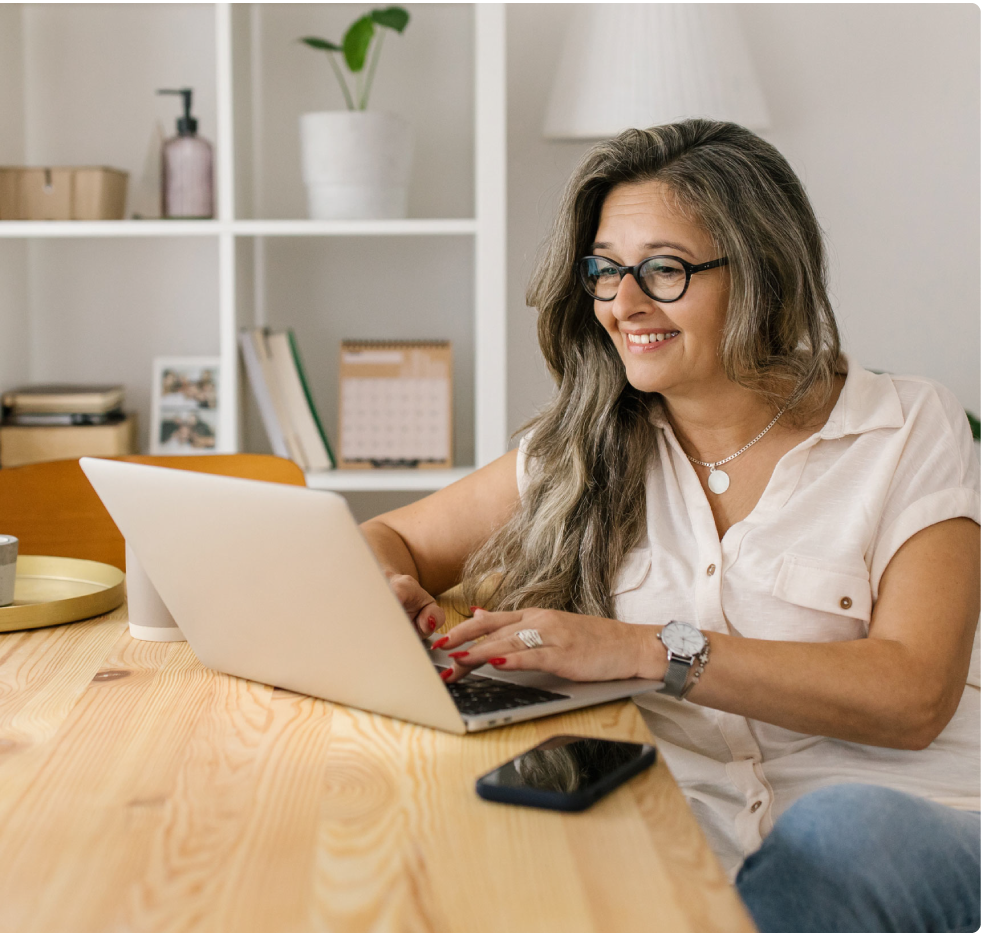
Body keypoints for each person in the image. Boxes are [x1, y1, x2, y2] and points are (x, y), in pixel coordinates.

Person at [360, 120, 983, 933]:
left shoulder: (905, 427)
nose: (623, 304)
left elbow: (913, 696)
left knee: (839, 835)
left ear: (761, 271)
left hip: (920, 824)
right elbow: (388, 538)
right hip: (702, 851)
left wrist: (649, 649)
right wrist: (387, 588)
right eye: (606, 271)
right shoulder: (581, 448)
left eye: (663, 269)